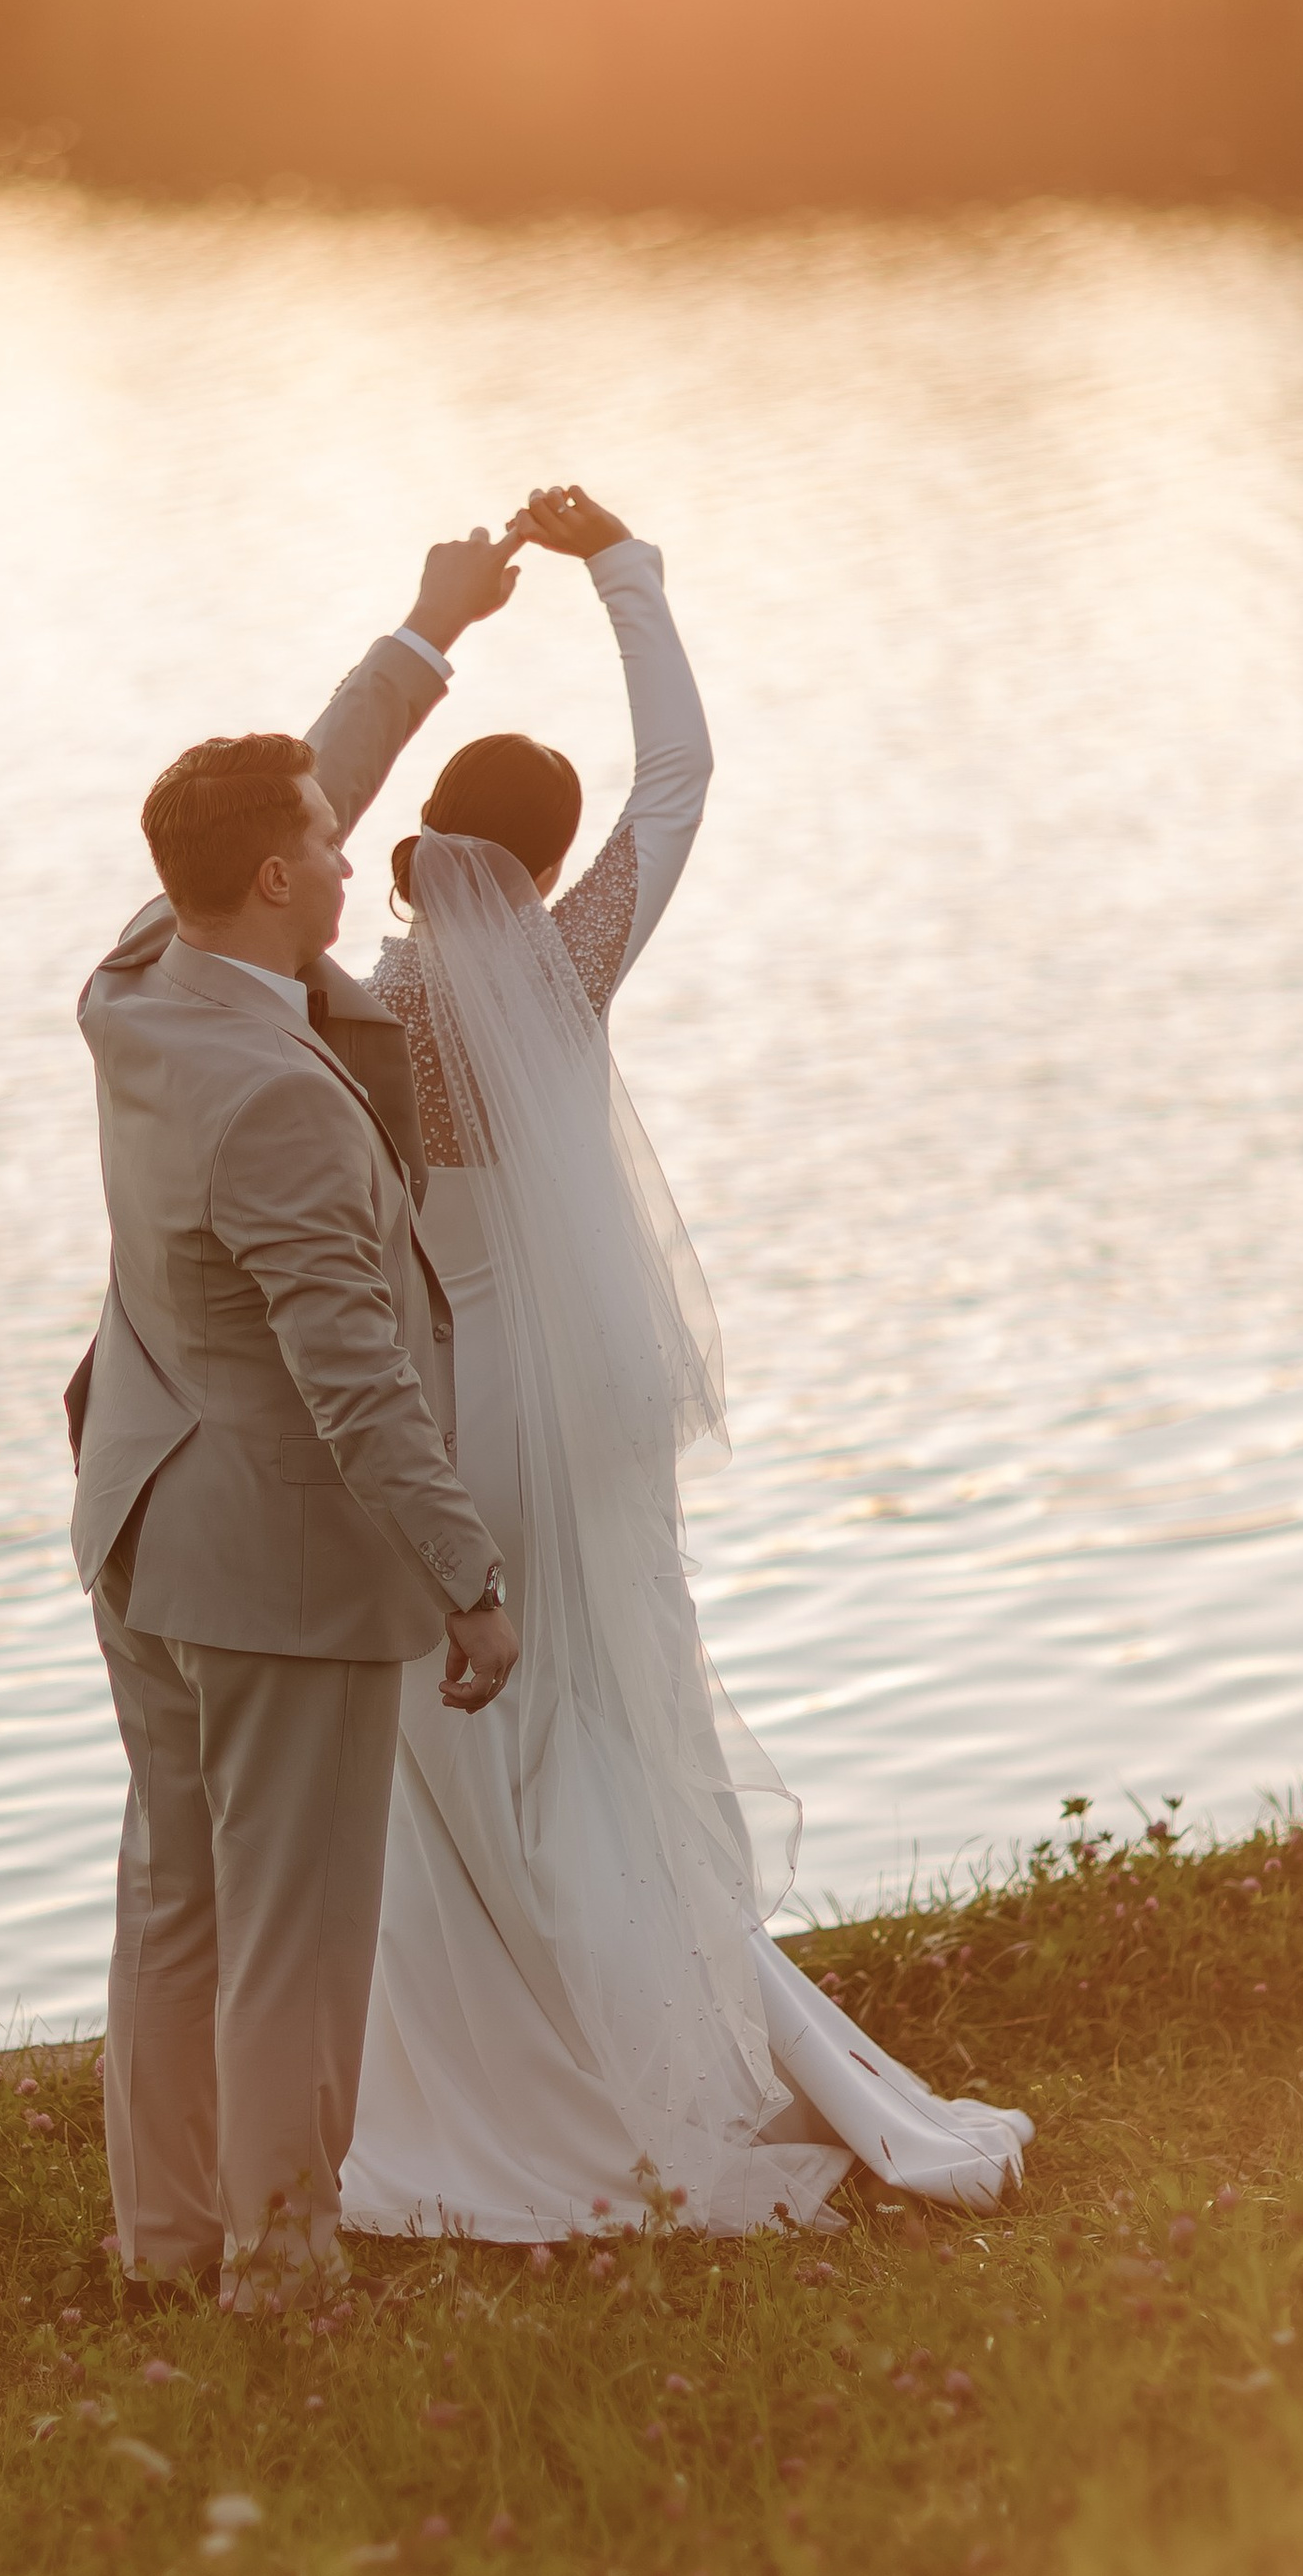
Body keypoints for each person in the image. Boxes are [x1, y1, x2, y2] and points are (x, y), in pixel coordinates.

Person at [340, 484, 1033, 2240]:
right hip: (599, 1401)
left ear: (428, 837)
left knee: (460, 1725)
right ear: (553, 859)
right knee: (604, 1719)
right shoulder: (571, 964)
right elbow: (680, 781)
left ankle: (513, 2058)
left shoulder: (358, 1003)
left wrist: (443, 619)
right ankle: (666, 2032)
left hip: (466, 1395)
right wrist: (622, 577)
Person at [68, 525, 526, 2308]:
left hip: (141, 1519)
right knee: (294, 1931)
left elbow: (309, 773)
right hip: (270, 1560)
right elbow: (356, 1384)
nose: (354, 851)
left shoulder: (140, 979)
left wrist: (428, 628)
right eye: (328, 846)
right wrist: (468, 1577)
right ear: (274, 880)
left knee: (175, 1901)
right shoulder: (274, 1099)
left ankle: (162, 2242)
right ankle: (279, 2257)